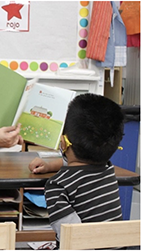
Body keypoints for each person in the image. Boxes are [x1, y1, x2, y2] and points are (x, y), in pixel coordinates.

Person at [44, 93, 124, 249]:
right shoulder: (108, 169)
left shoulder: (58, 186)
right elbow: (79, 164)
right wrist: (50, 165)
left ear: (63, 143)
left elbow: (75, 242)